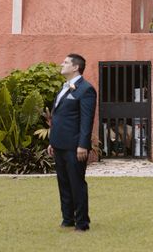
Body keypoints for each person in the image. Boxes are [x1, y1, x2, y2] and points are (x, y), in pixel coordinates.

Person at [47, 54, 97, 232]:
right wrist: (52, 141)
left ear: (76, 67)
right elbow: (58, 117)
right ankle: (67, 219)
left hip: (75, 147)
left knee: (77, 184)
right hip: (59, 144)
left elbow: (86, 120)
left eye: (66, 62)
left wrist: (83, 145)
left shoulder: (86, 90)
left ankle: (82, 222)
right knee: (63, 183)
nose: (62, 64)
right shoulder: (64, 88)